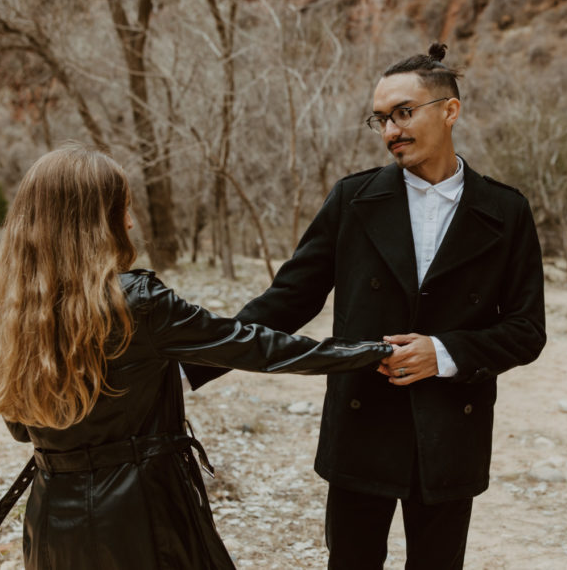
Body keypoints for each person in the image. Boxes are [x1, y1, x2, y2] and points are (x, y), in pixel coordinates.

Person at [185, 43, 547, 569]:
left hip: (451, 429)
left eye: (404, 113)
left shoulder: (505, 210)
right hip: (362, 423)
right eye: (380, 119)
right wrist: (188, 367)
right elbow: (287, 300)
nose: (390, 131)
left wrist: (443, 353)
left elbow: (525, 329)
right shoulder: (352, 200)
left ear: (450, 110)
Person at [0, 145, 394, 570]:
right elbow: (256, 347)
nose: (130, 222)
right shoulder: (138, 303)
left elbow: (22, 429)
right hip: (142, 514)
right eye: (122, 208)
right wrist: (374, 352)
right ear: (95, 221)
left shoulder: (15, 310)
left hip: (52, 522)